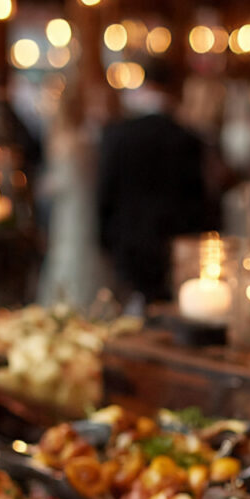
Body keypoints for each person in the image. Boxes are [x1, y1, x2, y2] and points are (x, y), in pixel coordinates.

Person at [96, 56, 213, 309]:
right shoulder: (187, 138)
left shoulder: (118, 134)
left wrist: (106, 239)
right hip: (172, 245)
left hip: (127, 242)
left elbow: (105, 193)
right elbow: (197, 200)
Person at [37, 80, 102, 308]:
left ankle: (72, 304)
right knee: (73, 247)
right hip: (82, 205)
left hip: (72, 205)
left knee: (71, 249)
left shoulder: (66, 142)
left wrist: (43, 187)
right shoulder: (88, 140)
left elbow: (64, 180)